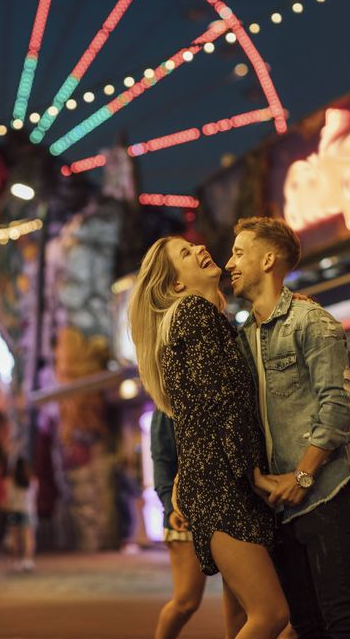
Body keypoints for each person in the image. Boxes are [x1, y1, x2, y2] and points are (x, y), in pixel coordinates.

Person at [130, 237, 290, 639]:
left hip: (218, 484)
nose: (199, 247)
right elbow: (223, 407)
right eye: (185, 253)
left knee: (245, 618)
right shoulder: (193, 315)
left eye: (192, 245)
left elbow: (203, 412)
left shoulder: (204, 318)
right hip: (224, 488)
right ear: (175, 285)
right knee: (271, 614)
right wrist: (254, 474)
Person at [227, 217, 350, 638]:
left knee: (342, 619)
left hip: (325, 495)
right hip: (277, 504)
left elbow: (339, 406)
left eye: (239, 253)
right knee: (306, 625)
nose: (229, 263)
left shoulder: (312, 322)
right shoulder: (243, 338)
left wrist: (302, 474)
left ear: (268, 258)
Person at [150, 410, 247, 639]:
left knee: (239, 603)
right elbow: (161, 459)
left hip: (226, 507)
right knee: (186, 601)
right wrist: (171, 506)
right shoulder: (166, 404)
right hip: (184, 514)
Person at [1, 456, 37, 572]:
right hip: (27, 510)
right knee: (28, 537)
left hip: (13, 510)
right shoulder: (32, 480)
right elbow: (34, 497)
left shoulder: (9, 481)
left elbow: (8, 498)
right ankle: (28, 561)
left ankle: (15, 561)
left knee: (15, 538)